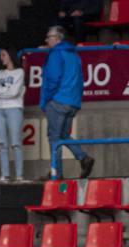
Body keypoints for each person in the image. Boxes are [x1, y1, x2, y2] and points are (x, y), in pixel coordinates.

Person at [41, 26, 94, 180]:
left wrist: (46, 100)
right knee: (63, 135)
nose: (46, 40)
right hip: (72, 102)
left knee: (54, 138)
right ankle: (83, 158)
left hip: (58, 101)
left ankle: (56, 172)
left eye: (48, 37)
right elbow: (80, 79)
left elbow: (52, 79)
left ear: (57, 38)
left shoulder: (56, 54)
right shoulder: (74, 55)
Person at [0, 48, 26, 184]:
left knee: (16, 143)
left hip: (14, 108)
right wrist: (6, 91)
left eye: (3, 55)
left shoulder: (19, 72)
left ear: (10, 56)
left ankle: (19, 175)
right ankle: (5, 174)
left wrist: (2, 91)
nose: (1, 58)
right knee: (1, 143)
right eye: (0, 55)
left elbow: (14, 93)